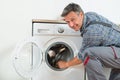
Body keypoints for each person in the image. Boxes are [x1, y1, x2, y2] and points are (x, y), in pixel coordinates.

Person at [57, 3, 120, 80]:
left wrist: (66, 64)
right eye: (67, 21)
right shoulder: (89, 15)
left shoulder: (92, 32)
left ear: (81, 15)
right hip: (116, 51)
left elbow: (81, 57)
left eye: (73, 19)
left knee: (88, 54)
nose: (71, 25)